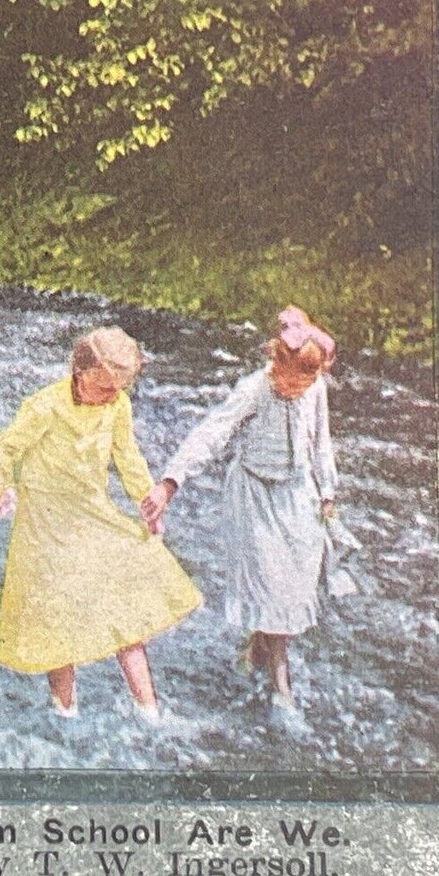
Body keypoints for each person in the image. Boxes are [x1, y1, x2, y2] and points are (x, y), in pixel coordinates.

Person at [0, 327, 202, 723]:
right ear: (78, 373)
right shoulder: (45, 407)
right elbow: (5, 448)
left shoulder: (117, 404)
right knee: (56, 618)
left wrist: (146, 501)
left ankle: (149, 711)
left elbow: (127, 455)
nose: (109, 396)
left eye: (117, 389)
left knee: (125, 605)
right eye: (102, 388)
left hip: (91, 510)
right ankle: (64, 711)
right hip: (46, 521)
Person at [144, 306, 340, 727]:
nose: (299, 389)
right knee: (270, 588)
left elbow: (321, 442)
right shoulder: (254, 389)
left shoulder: (315, 388)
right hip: (254, 497)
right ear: (277, 363)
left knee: (289, 587)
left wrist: (328, 492)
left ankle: (255, 651)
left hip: (296, 495)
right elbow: (212, 432)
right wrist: (170, 481)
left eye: (309, 382)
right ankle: (281, 688)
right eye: (292, 380)